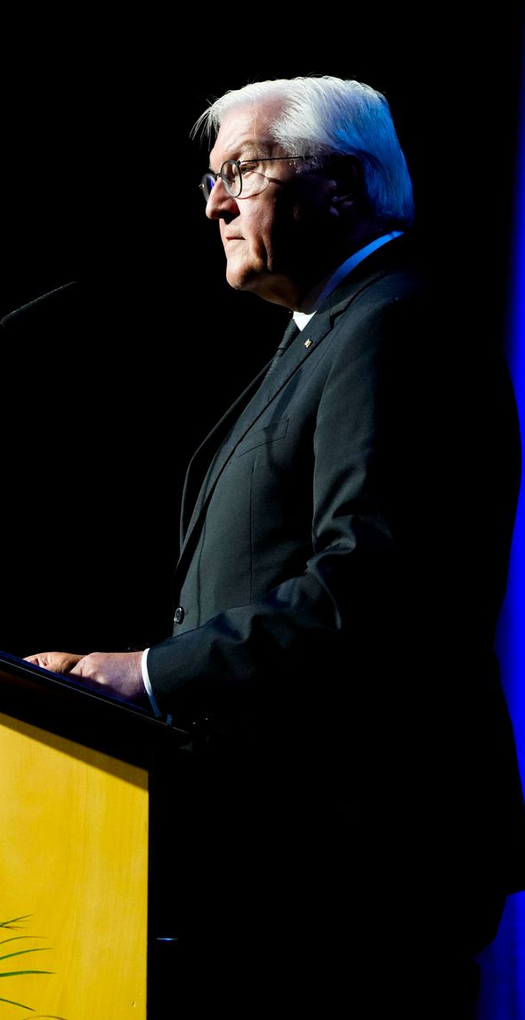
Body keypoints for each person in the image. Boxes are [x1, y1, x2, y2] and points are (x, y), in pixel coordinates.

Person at [27, 76, 525, 1018]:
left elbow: (369, 586)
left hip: (359, 854)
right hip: (281, 854)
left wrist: (149, 674)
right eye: (211, 179)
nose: (215, 202)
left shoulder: (394, 323)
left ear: (342, 185)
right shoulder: (322, 336)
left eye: (244, 170)